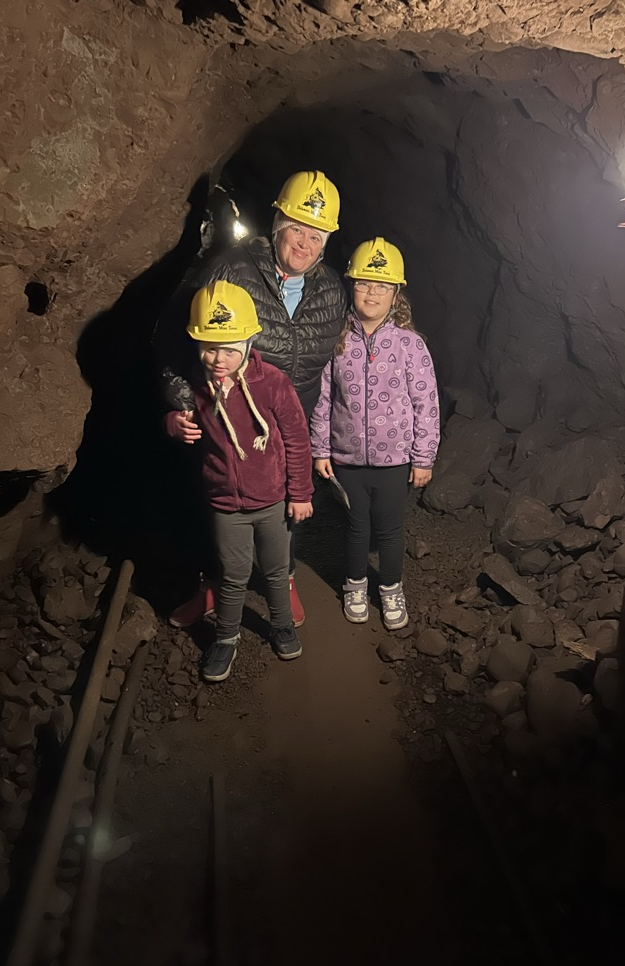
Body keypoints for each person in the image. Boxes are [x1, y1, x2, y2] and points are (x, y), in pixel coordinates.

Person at [157, 170, 345, 629]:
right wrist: (181, 404)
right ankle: (211, 588)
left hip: (288, 423)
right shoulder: (231, 270)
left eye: (315, 234)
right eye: (297, 229)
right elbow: (176, 344)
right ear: (278, 223)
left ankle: (284, 581)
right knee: (219, 511)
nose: (304, 242)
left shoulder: (332, 291)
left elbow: (340, 362)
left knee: (289, 508)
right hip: (225, 421)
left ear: (327, 241)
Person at [168, 279, 314, 682]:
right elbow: (175, 419)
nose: (219, 358)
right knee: (232, 574)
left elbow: (298, 440)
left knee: (275, 569)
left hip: (271, 500)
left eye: (230, 348)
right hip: (225, 505)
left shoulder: (273, 384)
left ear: (249, 342)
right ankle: (226, 638)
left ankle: (281, 626)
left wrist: (300, 493)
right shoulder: (197, 388)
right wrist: (173, 424)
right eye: (210, 348)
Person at [310, 238, 440, 630]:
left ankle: (390, 588)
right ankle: (354, 586)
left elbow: (426, 404)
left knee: (389, 528)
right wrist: (320, 449)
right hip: (347, 458)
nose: (372, 292)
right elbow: (322, 399)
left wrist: (423, 458)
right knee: (355, 526)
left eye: (381, 286)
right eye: (365, 283)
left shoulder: (409, 345)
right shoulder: (337, 339)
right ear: (352, 285)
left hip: (394, 460)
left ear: (395, 293)